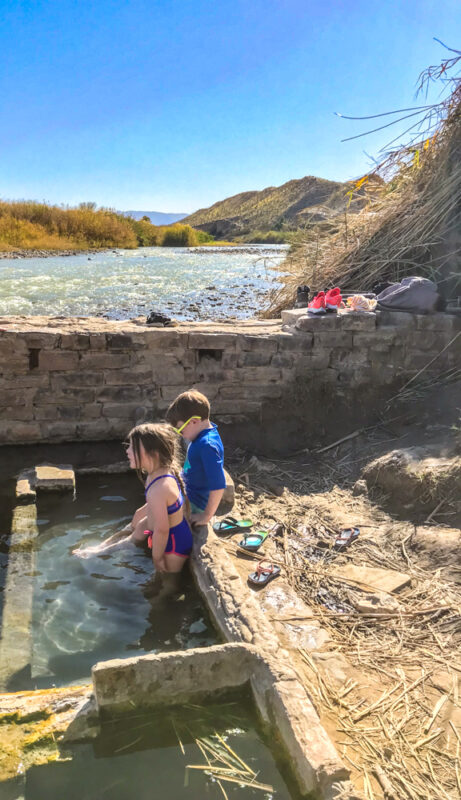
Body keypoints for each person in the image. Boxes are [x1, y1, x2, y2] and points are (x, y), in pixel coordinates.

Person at [73, 423, 192, 573]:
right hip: (163, 529)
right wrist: (137, 519)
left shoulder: (159, 488)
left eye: (132, 448)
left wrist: (157, 558)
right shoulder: (155, 474)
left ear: (152, 454)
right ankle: (102, 548)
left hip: (175, 544)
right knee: (140, 524)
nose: (127, 451)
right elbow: (155, 508)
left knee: (167, 582)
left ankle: (103, 552)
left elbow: (162, 530)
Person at [165, 389, 226, 527]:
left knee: (152, 521)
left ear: (193, 421)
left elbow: (218, 484)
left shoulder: (207, 445)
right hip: (189, 495)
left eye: (180, 430)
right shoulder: (201, 437)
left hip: (195, 505)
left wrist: (206, 516)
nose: (180, 435)